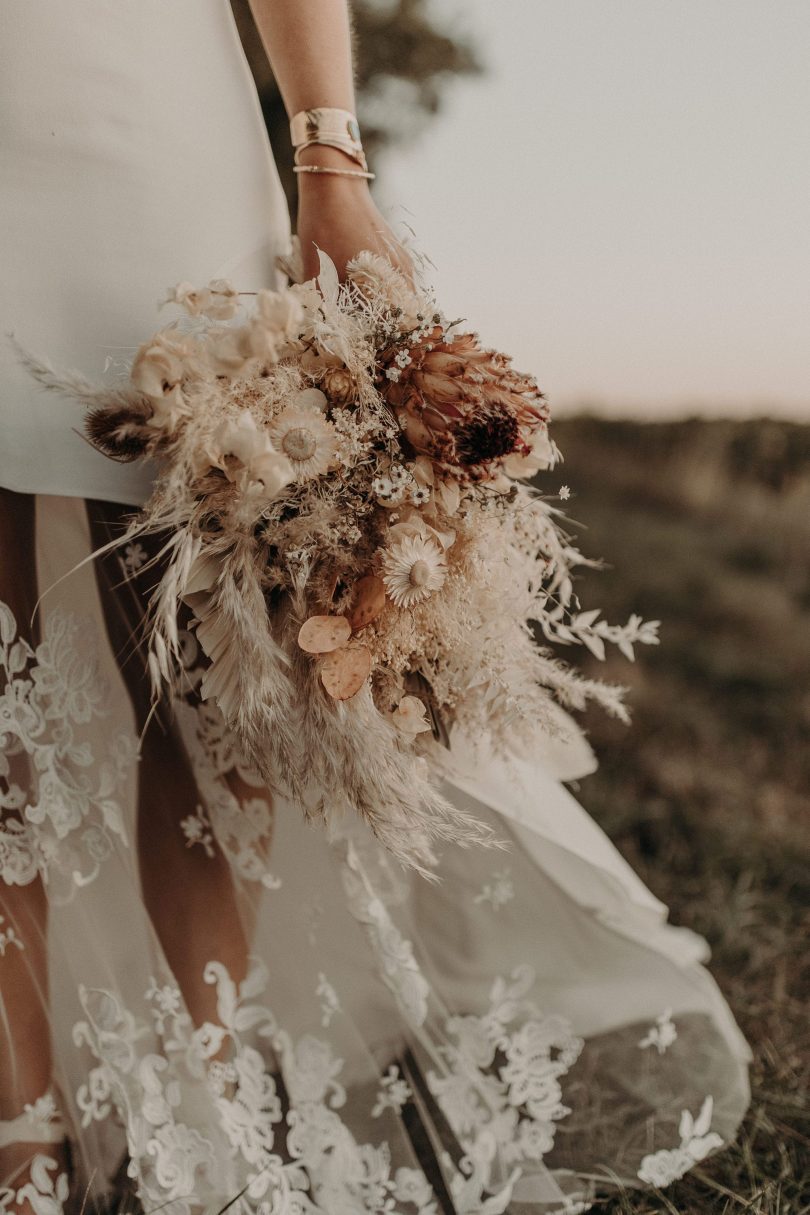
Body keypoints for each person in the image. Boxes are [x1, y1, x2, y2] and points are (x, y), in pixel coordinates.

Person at [0, 3, 750, 1212]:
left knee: (205, 694)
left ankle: (198, 1140)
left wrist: (329, 157)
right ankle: (19, 1165)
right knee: (4, 727)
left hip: (145, 142)